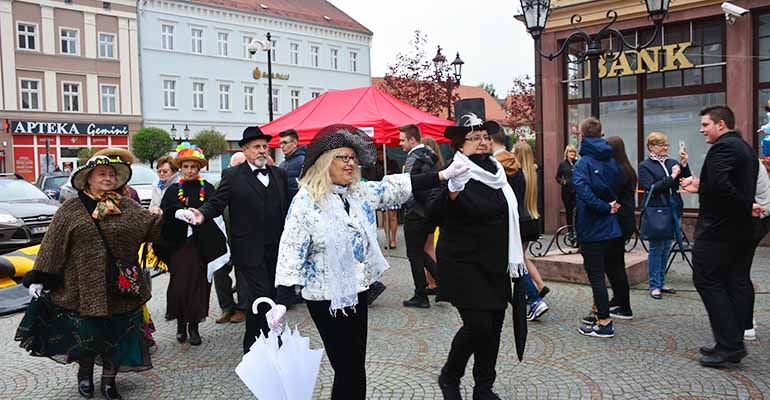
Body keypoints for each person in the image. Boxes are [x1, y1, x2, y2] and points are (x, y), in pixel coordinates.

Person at [272, 124, 467, 400]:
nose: (351, 163)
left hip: (357, 290)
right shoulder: (307, 201)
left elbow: (393, 189)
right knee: (347, 366)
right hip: (324, 296)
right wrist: (281, 299)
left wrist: (443, 175)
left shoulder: (357, 192)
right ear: (326, 162)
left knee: (354, 366)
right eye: (343, 157)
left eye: (353, 158)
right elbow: (291, 248)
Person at [15, 155, 162, 400]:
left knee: (117, 335)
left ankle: (108, 381)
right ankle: (84, 375)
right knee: (86, 335)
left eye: (112, 174)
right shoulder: (71, 208)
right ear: (88, 180)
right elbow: (53, 244)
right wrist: (41, 276)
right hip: (81, 285)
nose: (108, 178)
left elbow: (152, 228)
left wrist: (177, 219)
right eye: (102, 174)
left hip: (120, 286)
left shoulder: (126, 206)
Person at [426, 113, 525, 400]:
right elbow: (432, 210)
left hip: (494, 262)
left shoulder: (497, 173)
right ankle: (450, 376)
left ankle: (483, 387)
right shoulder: (456, 171)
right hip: (463, 263)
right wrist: (451, 192)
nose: (483, 142)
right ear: (460, 145)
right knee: (478, 325)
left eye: (486, 137)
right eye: (475, 138)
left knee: (493, 326)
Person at [190, 126, 292, 353]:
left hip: (276, 249)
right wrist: (202, 213)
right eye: (256, 147)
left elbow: (287, 209)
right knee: (263, 295)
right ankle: (271, 343)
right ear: (245, 150)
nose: (262, 151)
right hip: (248, 249)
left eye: (265, 147)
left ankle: (254, 344)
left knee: (267, 297)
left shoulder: (279, 175)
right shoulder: (233, 176)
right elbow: (217, 203)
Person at [689, 105, 761, 367]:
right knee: (732, 281)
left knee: (707, 281)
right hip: (738, 230)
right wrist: (745, 204)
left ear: (721, 125)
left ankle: (730, 345)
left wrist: (700, 187)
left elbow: (720, 186)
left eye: (706, 124)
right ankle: (729, 343)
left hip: (719, 230)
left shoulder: (725, 147)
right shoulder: (744, 147)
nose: (701, 130)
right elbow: (727, 185)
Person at [158, 143, 227, 346]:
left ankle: (194, 327)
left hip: (202, 244)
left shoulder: (208, 188)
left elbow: (215, 210)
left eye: (193, 167)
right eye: (186, 166)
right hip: (180, 245)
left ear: (199, 168)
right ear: (181, 168)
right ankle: (181, 324)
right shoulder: (172, 190)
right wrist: (178, 213)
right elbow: (166, 212)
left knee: (200, 285)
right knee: (180, 285)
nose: (189, 170)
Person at [572, 117, 622, 338]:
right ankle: (597, 312)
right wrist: (610, 205)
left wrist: (603, 207)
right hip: (610, 226)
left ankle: (604, 322)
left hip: (592, 226)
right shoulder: (611, 160)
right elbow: (618, 184)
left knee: (596, 277)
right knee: (602, 273)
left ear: (582, 136)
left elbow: (583, 192)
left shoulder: (583, 163)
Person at [638, 132, 690, 299]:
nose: (665, 147)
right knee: (656, 248)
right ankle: (654, 285)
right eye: (661, 144)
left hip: (673, 208)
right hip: (657, 210)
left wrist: (684, 164)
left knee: (667, 247)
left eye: (666, 144)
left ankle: (660, 281)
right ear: (651, 146)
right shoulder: (645, 166)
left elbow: (686, 180)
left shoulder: (672, 162)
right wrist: (672, 176)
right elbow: (651, 187)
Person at [399, 124, 440, 308]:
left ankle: (420, 295)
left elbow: (408, 187)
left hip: (415, 212)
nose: (400, 144)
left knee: (414, 254)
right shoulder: (430, 155)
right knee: (422, 252)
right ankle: (444, 282)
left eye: (402, 140)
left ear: (412, 140)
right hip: (429, 211)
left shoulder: (413, 159)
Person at [512, 141, 551, 321]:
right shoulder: (533, 174)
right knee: (522, 258)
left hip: (519, 221)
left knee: (517, 261)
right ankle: (540, 287)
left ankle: (534, 298)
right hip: (532, 220)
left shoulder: (517, 175)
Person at [213, 151, 247, 324]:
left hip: (243, 239)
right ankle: (227, 307)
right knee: (219, 273)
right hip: (223, 239)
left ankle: (242, 308)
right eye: (236, 166)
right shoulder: (219, 185)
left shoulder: (251, 184)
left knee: (242, 275)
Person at [603, 136, 635, 319]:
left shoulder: (619, 171)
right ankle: (618, 300)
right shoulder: (626, 168)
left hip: (619, 223)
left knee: (614, 266)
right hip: (625, 221)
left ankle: (624, 306)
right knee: (615, 264)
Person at [420, 136, 444, 293]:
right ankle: (433, 281)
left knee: (427, 249)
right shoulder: (440, 166)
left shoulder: (425, 166)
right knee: (430, 247)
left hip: (426, 211)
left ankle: (434, 282)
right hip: (437, 211)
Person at [277, 128, 306, 202]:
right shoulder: (282, 164)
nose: (281, 146)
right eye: (280, 143)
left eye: (285, 143)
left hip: (300, 206)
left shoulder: (303, 161)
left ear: (295, 143)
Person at [556, 145, 577, 230]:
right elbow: (557, 177)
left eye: (573, 152)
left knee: (577, 211)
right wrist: (562, 182)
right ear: (567, 153)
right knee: (568, 211)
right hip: (566, 191)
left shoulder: (578, 163)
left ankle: (577, 229)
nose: (572, 153)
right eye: (570, 152)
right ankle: (570, 231)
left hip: (577, 191)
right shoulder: (563, 164)